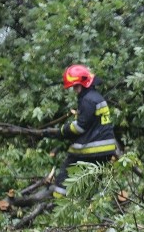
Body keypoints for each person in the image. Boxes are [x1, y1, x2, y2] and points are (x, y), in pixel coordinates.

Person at [51, 64, 119, 198]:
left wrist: (63, 131)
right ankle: (92, 211)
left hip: (90, 150)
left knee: (65, 176)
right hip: (105, 150)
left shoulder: (87, 100)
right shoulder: (97, 97)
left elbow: (80, 127)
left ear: (83, 83)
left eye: (75, 86)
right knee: (92, 184)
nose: (75, 90)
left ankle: (56, 207)